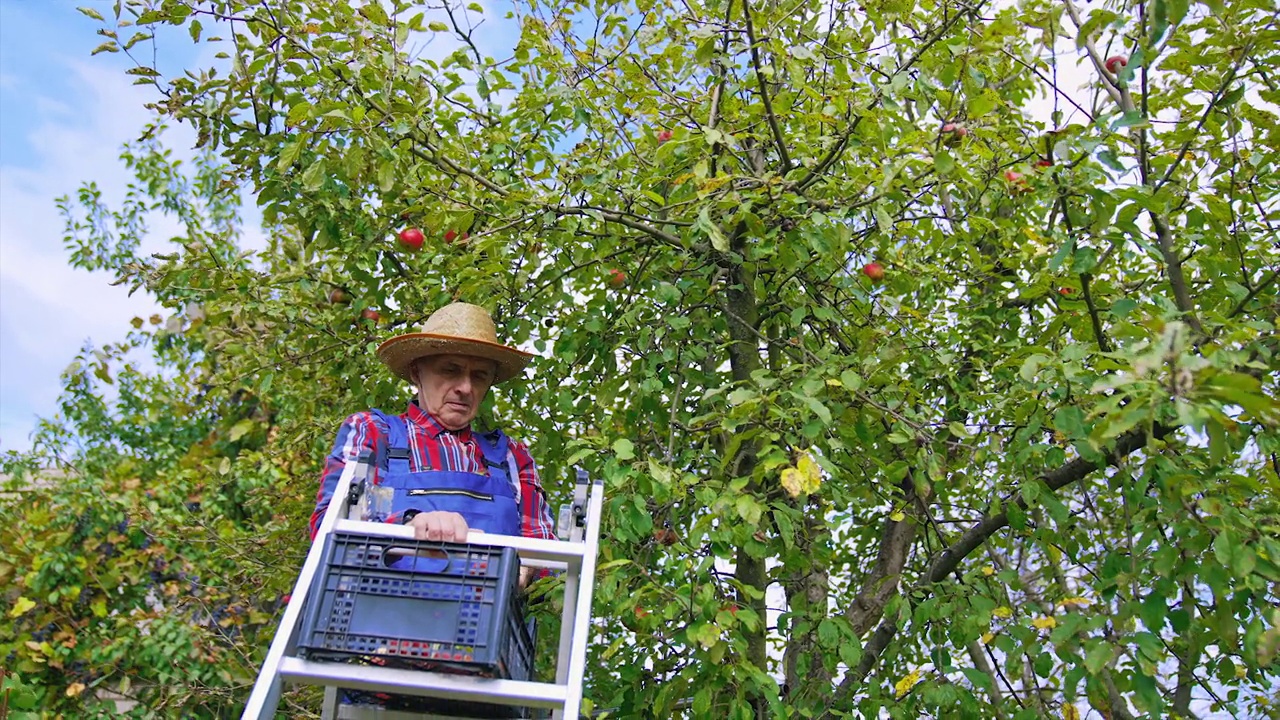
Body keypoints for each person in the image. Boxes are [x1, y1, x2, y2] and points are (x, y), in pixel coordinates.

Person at [310, 302, 557, 582]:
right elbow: (328, 530)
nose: (465, 387)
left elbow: (543, 554)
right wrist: (410, 527)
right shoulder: (374, 433)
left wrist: (524, 572)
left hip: (486, 620)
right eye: (450, 370)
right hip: (377, 617)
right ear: (417, 372)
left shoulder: (511, 458)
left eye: (479, 376)